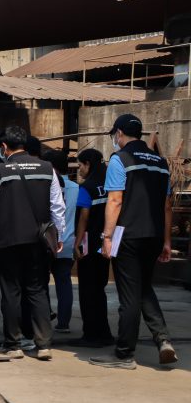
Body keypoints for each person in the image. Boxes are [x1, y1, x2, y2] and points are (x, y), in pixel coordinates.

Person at [92, 114, 178, 369]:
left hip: (127, 236)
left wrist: (107, 237)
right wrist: (166, 240)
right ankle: (163, 339)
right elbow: (167, 205)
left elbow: (115, 200)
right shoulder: (160, 163)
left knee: (129, 295)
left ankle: (124, 354)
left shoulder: (120, 159)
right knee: (142, 289)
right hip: (152, 236)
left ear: (119, 133)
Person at [0, 126, 66, 360]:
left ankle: (13, 344)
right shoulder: (47, 169)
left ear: (4, 147)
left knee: (10, 291)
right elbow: (57, 207)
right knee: (38, 290)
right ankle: (43, 344)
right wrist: (58, 236)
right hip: (39, 240)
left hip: (8, 241)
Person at [72, 148, 114, 347]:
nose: (79, 169)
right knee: (100, 289)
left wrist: (77, 243)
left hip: (88, 245)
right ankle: (104, 333)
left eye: (80, 165)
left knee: (88, 291)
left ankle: (90, 335)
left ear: (88, 164)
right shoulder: (110, 186)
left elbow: (83, 217)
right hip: (106, 244)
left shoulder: (86, 187)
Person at [46, 150, 79, 333]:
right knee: (64, 283)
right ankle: (63, 323)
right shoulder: (76, 188)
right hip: (68, 242)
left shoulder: (46, 185)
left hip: (47, 242)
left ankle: (45, 315)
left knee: (40, 283)